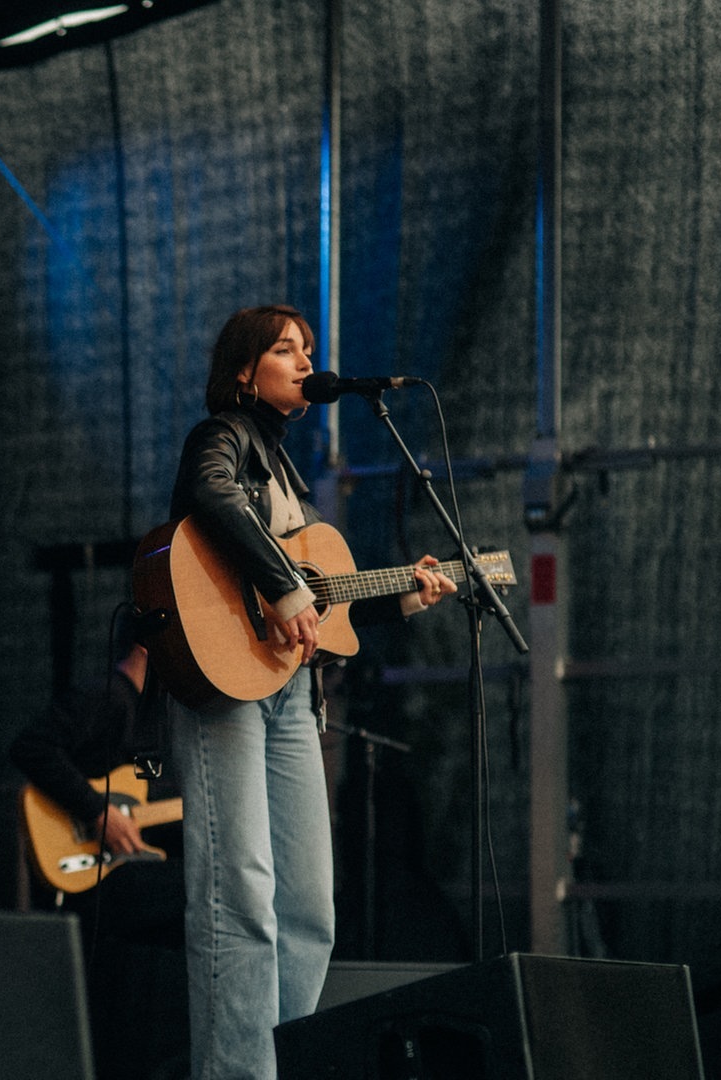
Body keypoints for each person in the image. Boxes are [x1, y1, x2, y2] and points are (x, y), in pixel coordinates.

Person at [165, 304, 454, 1080]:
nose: (303, 362)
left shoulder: (288, 468)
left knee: (308, 912)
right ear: (241, 372)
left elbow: (323, 599)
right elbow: (212, 496)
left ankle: (284, 1065)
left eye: (309, 351)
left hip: (292, 697)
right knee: (242, 899)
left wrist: (399, 599)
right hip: (223, 686)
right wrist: (285, 587)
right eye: (285, 349)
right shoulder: (220, 437)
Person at [10, 628, 187, 1080]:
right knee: (196, 894)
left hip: (124, 868)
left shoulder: (152, 719)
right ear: (148, 646)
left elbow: (150, 795)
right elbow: (31, 747)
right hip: (92, 875)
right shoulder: (104, 697)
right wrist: (96, 812)